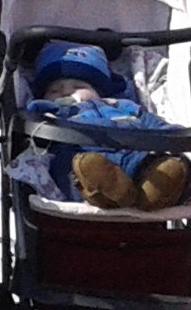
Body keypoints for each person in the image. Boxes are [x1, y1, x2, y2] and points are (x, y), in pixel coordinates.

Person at [23, 39, 189, 210]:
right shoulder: (55, 113)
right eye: (54, 90)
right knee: (87, 168)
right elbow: (34, 129)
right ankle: (113, 193)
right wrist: (46, 112)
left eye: (78, 86)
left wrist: (174, 135)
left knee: (163, 168)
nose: (66, 92)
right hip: (84, 162)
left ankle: (152, 194)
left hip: (133, 157)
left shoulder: (123, 106)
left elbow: (152, 123)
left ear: (98, 91)